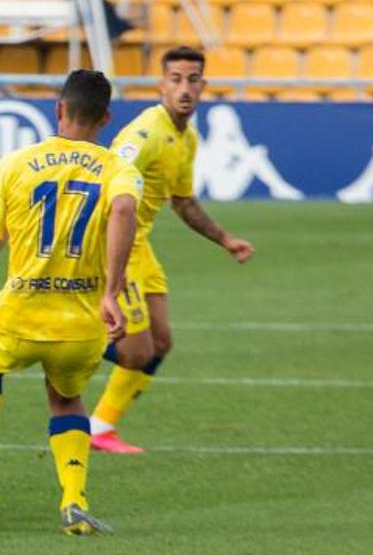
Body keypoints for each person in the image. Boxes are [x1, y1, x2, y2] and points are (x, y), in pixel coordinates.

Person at [0, 69, 142, 535]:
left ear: (59, 109)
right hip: (81, 322)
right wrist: (112, 293)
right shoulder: (119, 168)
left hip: (19, 312)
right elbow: (123, 210)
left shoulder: (16, 164)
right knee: (66, 399)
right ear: (105, 118)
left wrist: (0, 243)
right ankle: (74, 502)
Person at [89, 46, 255, 454]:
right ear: (161, 84)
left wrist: (224, 239)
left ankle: (100, 428)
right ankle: (65, 338)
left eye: (192, 80)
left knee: (160, 344)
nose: (185, 88)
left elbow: (182, 201)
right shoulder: (145, 132)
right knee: (134, 351)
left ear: (203, 85)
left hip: (140, 245)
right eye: (176, 79)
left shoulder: (186, 137)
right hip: (119, 244)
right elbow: (107, 176)